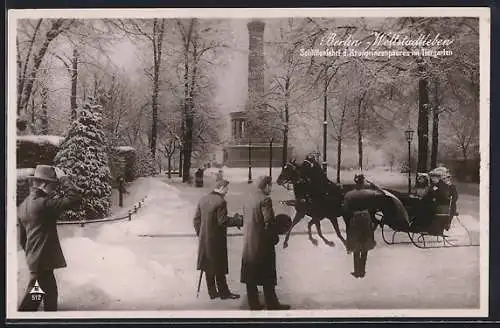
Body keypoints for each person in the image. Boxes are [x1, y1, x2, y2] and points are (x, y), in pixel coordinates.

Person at [17, 165, 81, 311]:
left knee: (42, 297)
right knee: (33, 303)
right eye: (53, 185)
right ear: (45, 184)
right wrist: (64, 178)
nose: (54, 189)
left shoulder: (23, 205)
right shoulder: (44, 203)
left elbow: (22, 239)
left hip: (37, 263)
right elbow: (74, 198)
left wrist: (33, 255)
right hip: (43, 265)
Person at [241, 176, 290, 310]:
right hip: (263, 244)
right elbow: (268, 223)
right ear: (266, 186)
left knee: (251, 274)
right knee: (267, 275)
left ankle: (254, 303)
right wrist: (274, 238)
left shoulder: (248, 199)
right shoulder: (265, 200)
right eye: (270, 186)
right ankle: (272, 303)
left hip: (249, 242)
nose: (271, 189)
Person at [193, 179, 242, 300]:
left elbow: (196, 220)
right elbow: (223, 221)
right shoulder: (221, 202)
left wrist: (201, 234)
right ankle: (224, 293)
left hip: (205, 240)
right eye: (226, 188)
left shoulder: (203, 199)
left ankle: (212, 292)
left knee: (208, 265)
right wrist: (237, 220)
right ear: (221, 188)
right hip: (217, 240)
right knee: (219, 266)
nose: (227, 190)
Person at [343, 173, 377, 279]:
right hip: (366, 218)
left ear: (355, 182)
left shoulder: (349, 195)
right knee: (365, 244)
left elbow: (345, 211)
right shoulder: (370, 194)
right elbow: (373, 209)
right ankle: (362, 270)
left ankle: (357, 270)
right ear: (363, 182)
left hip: (355, 219)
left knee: (356, 245)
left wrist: (348, 223)